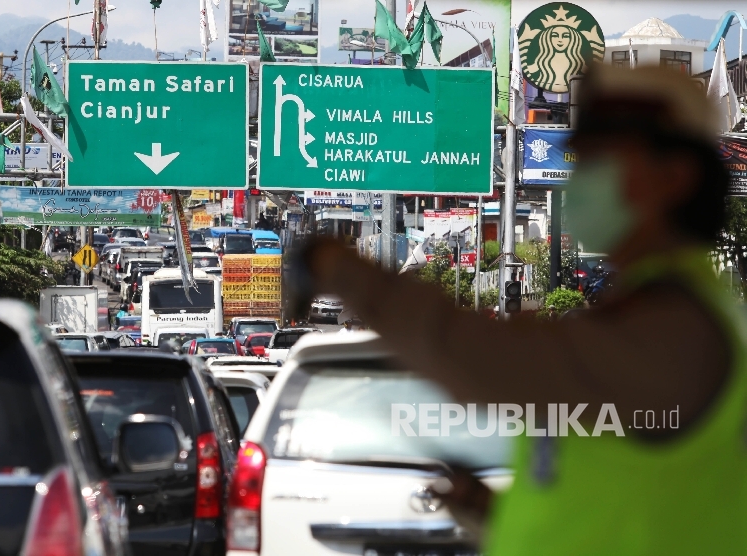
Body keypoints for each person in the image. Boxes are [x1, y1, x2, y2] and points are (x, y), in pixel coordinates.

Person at [292, 64, 747, 553]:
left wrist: (339, 267)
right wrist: (497, 516)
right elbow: (607, 507)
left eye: (601, 162)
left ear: (674, 177)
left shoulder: (675, 326)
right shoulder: (648, 307)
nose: (581, 180)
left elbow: (481, 359)